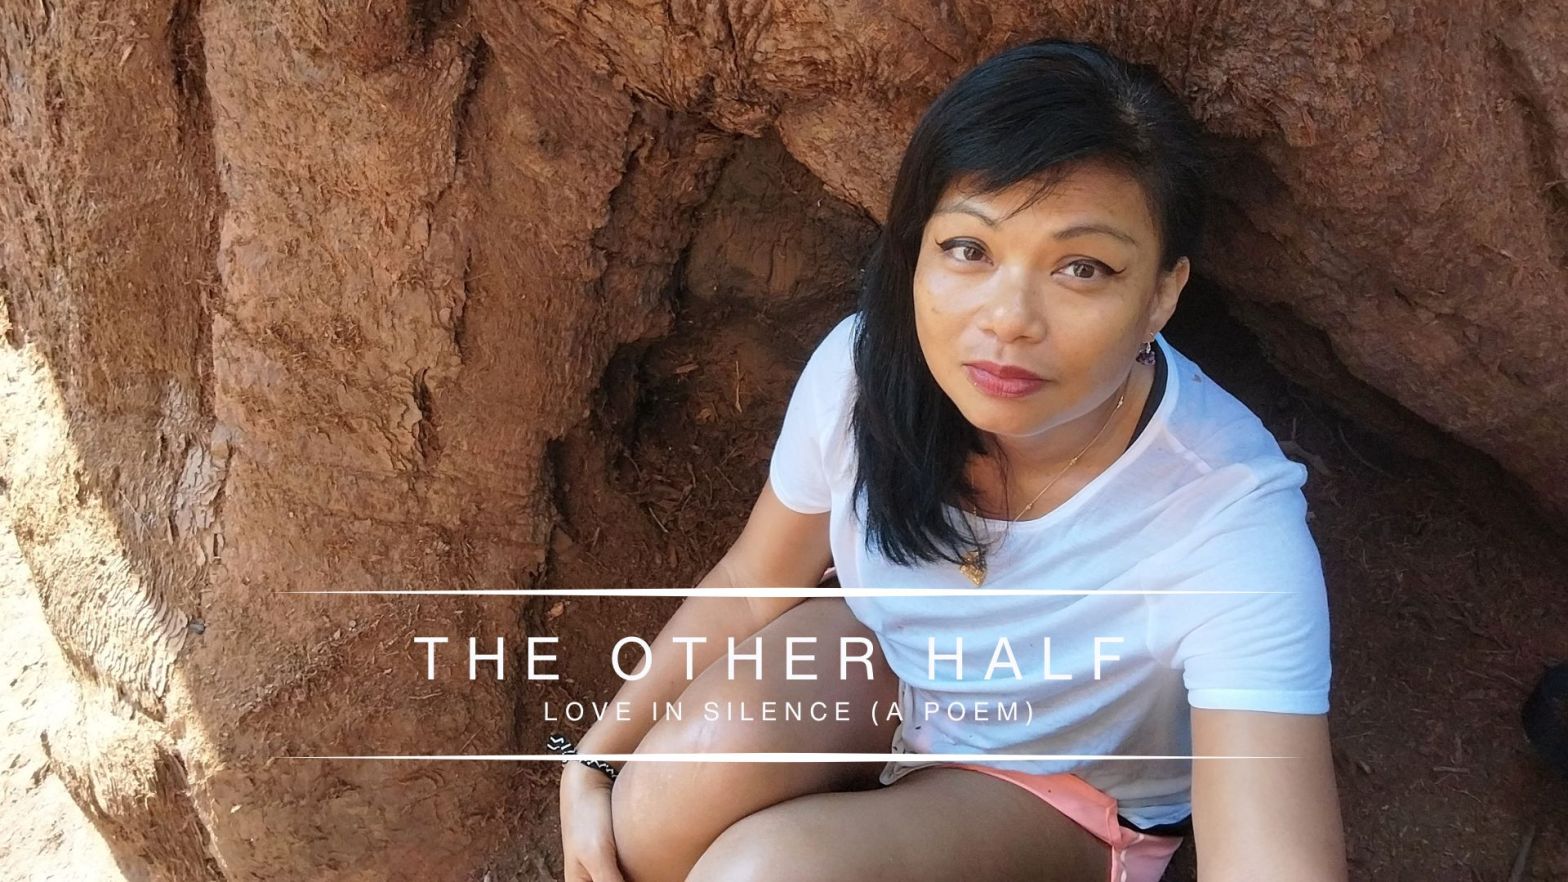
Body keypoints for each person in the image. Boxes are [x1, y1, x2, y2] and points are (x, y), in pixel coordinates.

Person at [558, 37, 1348, 882]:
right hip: (898, 668)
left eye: (1082, 268)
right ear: (915, 250)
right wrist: (594, 757)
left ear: (1161, 294)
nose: (1008, 318)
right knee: (651, 818)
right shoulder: (868, 373)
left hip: (1061, 789)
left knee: (766, 874)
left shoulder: (1226, 521)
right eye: (970, 249)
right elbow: (755, 578)